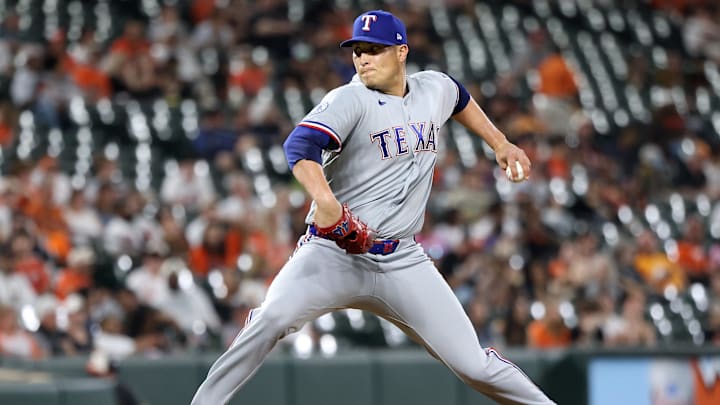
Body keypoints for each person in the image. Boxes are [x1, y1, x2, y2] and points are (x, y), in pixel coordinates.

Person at [192, 10, 555, 405]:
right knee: (270, 319)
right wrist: (326, 202)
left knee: (474, 365)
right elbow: (298, 147)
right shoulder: (350, 99)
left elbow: (458, 97)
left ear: (401, 52)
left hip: (403, 259)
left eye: (375, 50)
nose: (363, 59)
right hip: (333, 253)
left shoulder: (432, 88)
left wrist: (500, 142)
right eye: (357, 51)